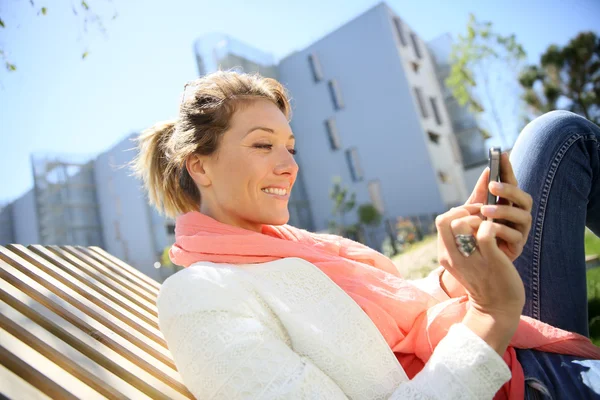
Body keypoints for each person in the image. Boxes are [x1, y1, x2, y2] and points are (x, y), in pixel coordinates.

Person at [132, 70, 600, 399]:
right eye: (262, 145)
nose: (290, 165)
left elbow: (395, 322)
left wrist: (461, 268)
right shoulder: (201, 296)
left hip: (506, 349)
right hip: (515, 381)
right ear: (199, 165)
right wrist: (489, 316)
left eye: (291, 148)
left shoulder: (287, 246)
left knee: (558, 134)